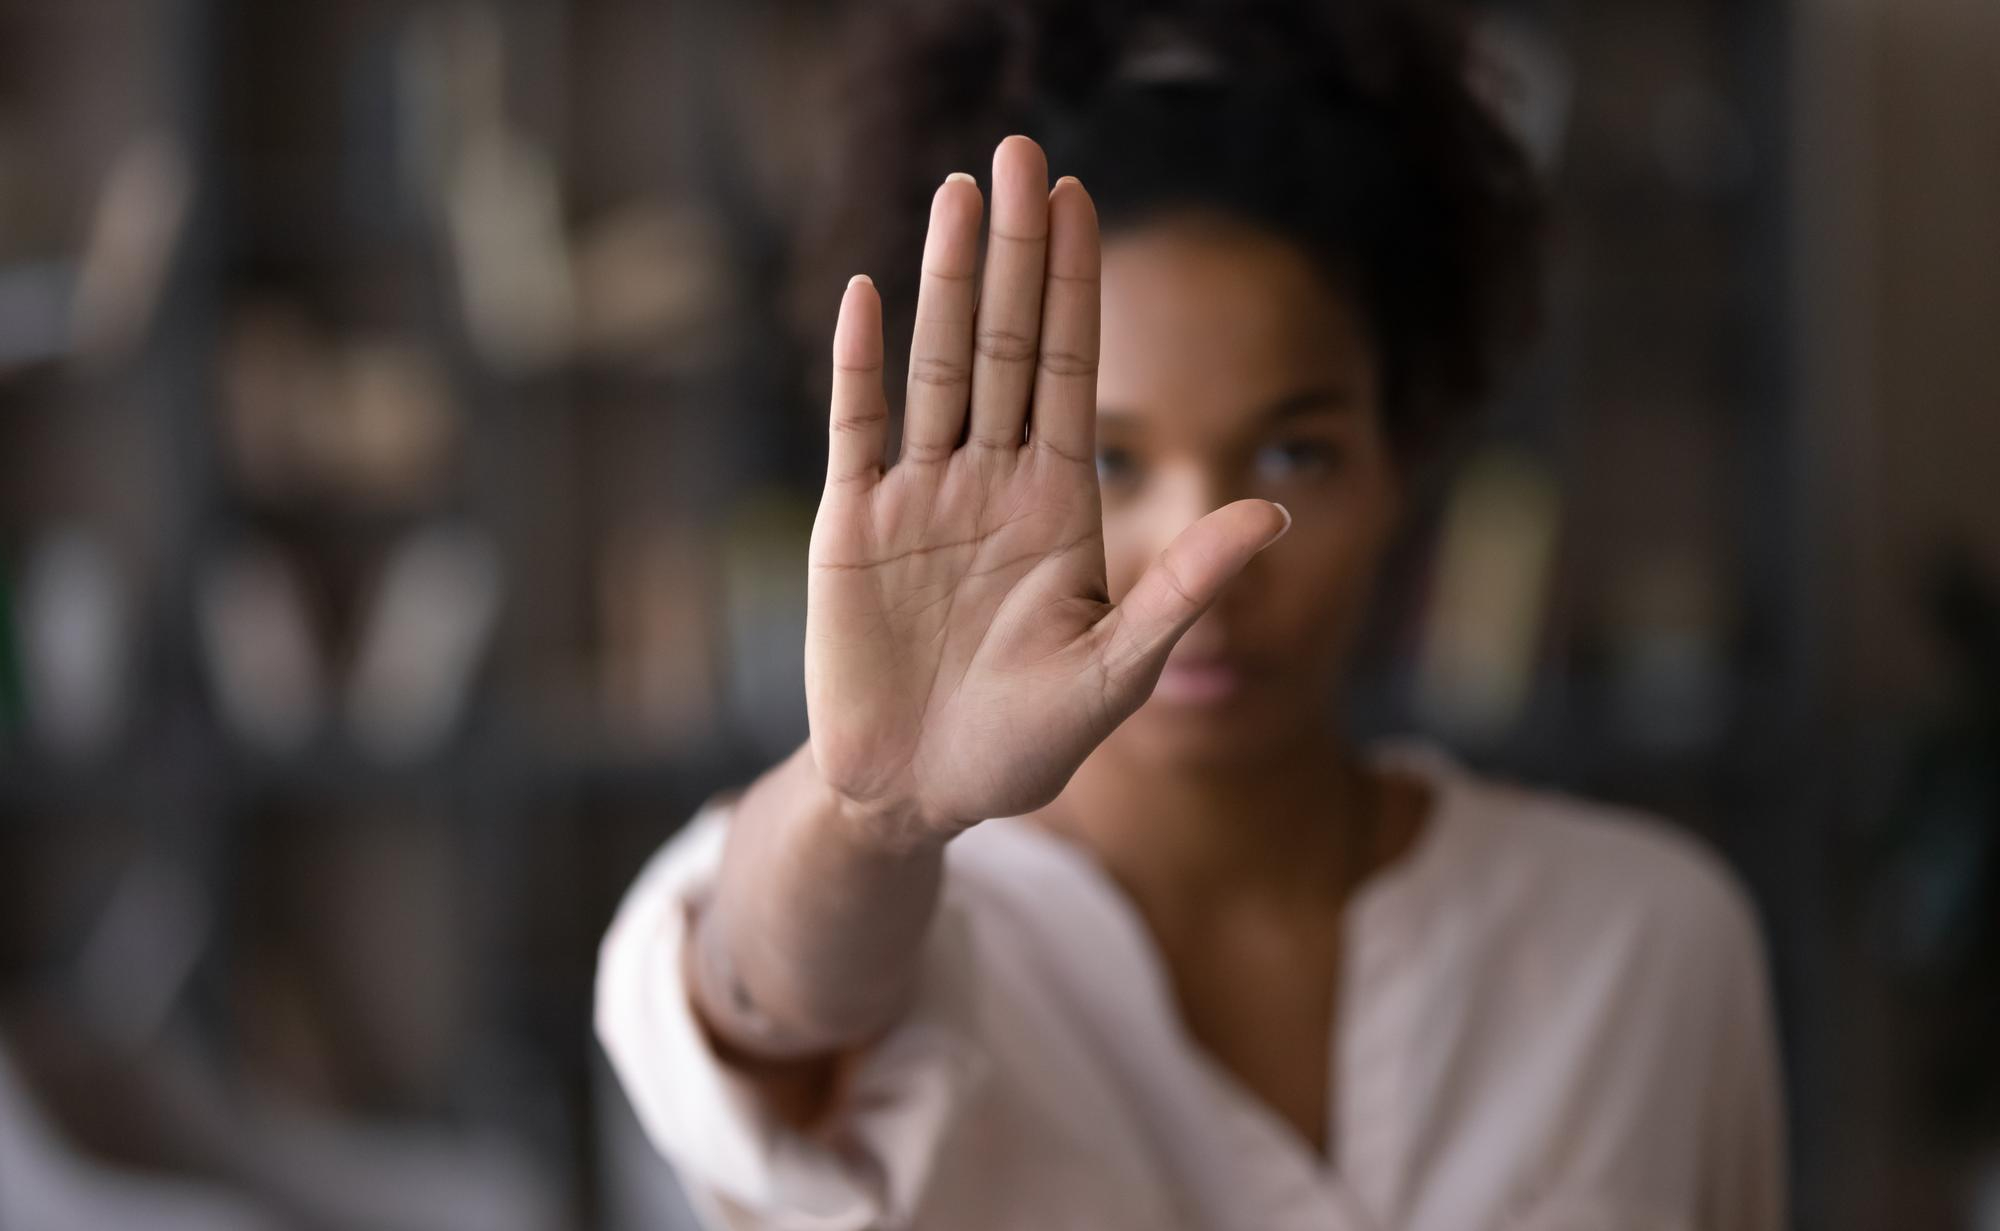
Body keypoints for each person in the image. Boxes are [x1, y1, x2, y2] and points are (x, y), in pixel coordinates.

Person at [595, 2, 1786, 1228]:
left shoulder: (1646, 946)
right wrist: (869, 813)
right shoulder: (864, 890)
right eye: (1106, 462)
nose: (1199, 560)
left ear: (1405, 457)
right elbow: (768, 999)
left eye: (1293, 451)